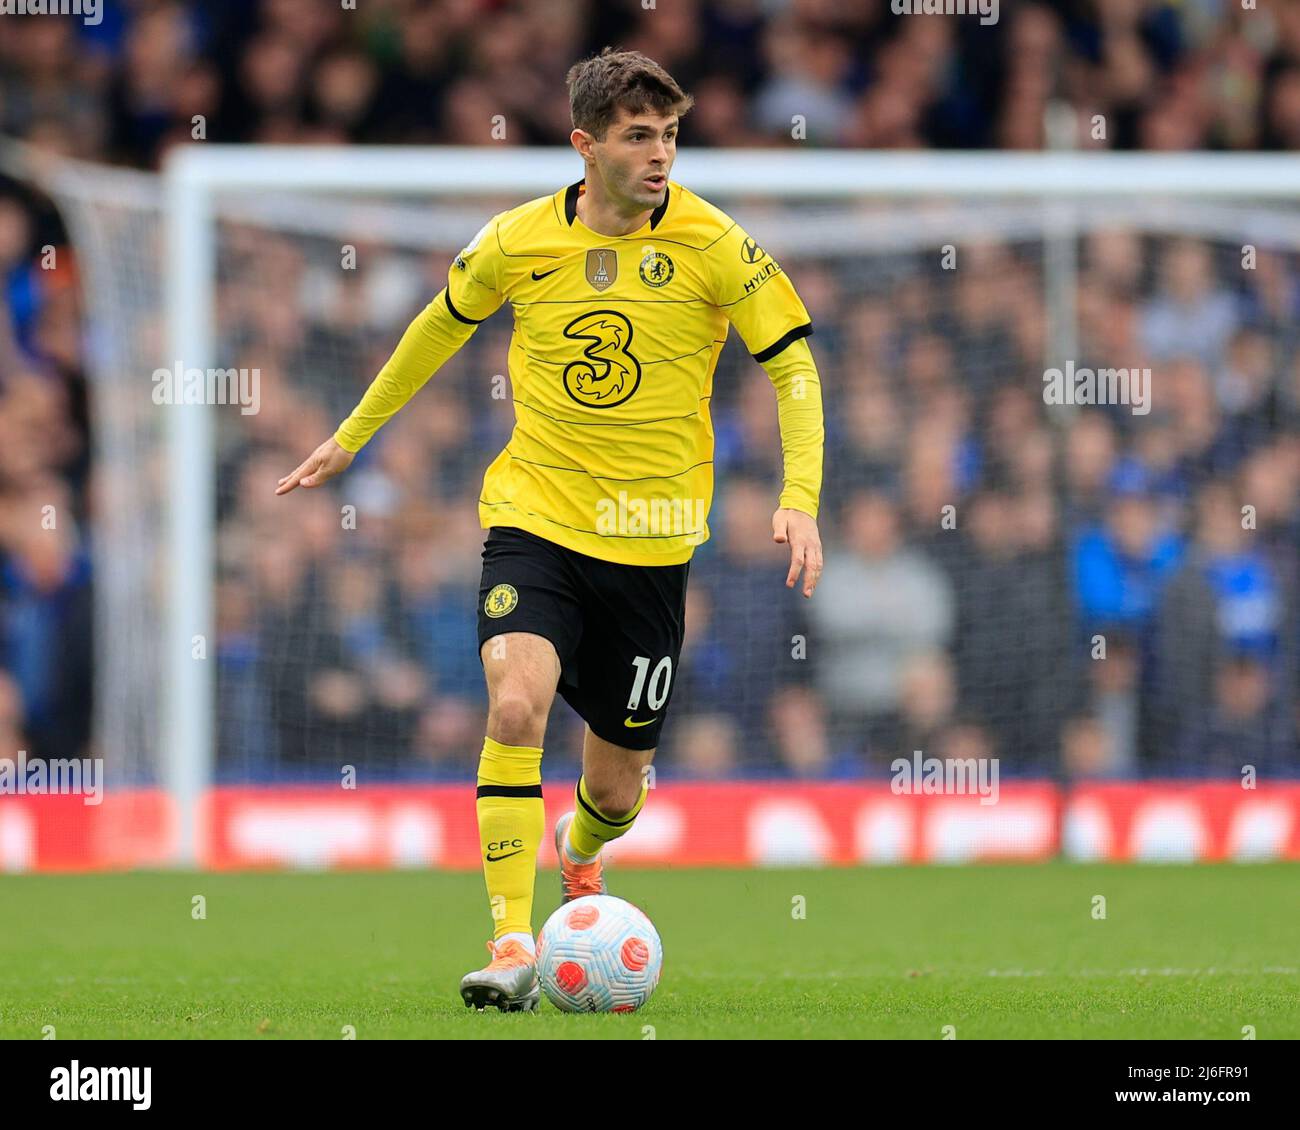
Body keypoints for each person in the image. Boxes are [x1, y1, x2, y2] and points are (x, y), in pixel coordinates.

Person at [275, 48, 825, 1011]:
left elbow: (792, 365)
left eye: (669, 137)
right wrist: (351, 438)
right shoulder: (517, 240)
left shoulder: (715, 244)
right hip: (536, 520)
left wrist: (800, 495)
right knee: (516, 707)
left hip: (654, 544)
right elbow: (435, 330)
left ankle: (578, 859)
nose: (662, 156)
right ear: (585, 146)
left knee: (615, 791)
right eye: (639, 138)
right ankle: (509, 940)